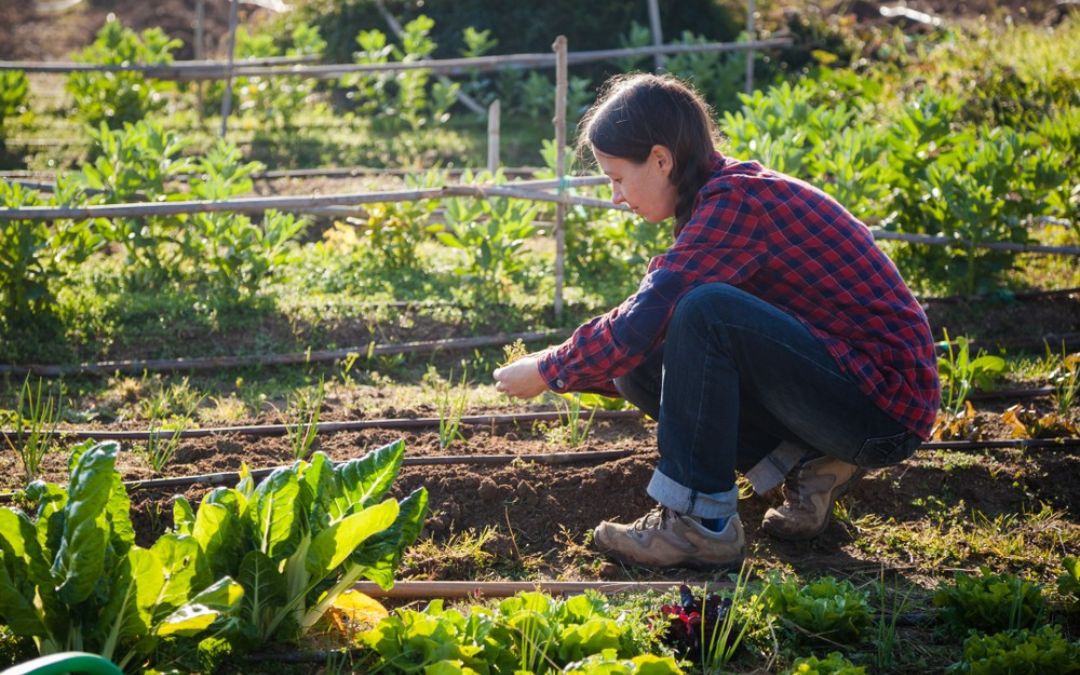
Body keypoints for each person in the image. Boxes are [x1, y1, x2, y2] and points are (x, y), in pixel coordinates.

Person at [492, 73, 940, 570]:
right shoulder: (714, 201)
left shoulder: (737, 203)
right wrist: (574, 370)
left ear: (661, 159)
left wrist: (551, 368)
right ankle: (809, 464)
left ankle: (698, 526)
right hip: (844, 390)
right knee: (638, 365)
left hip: (885, 409)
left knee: (703, 310)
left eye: (618, 177)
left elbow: (651, 313)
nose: (616, 196)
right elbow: (643, 340)